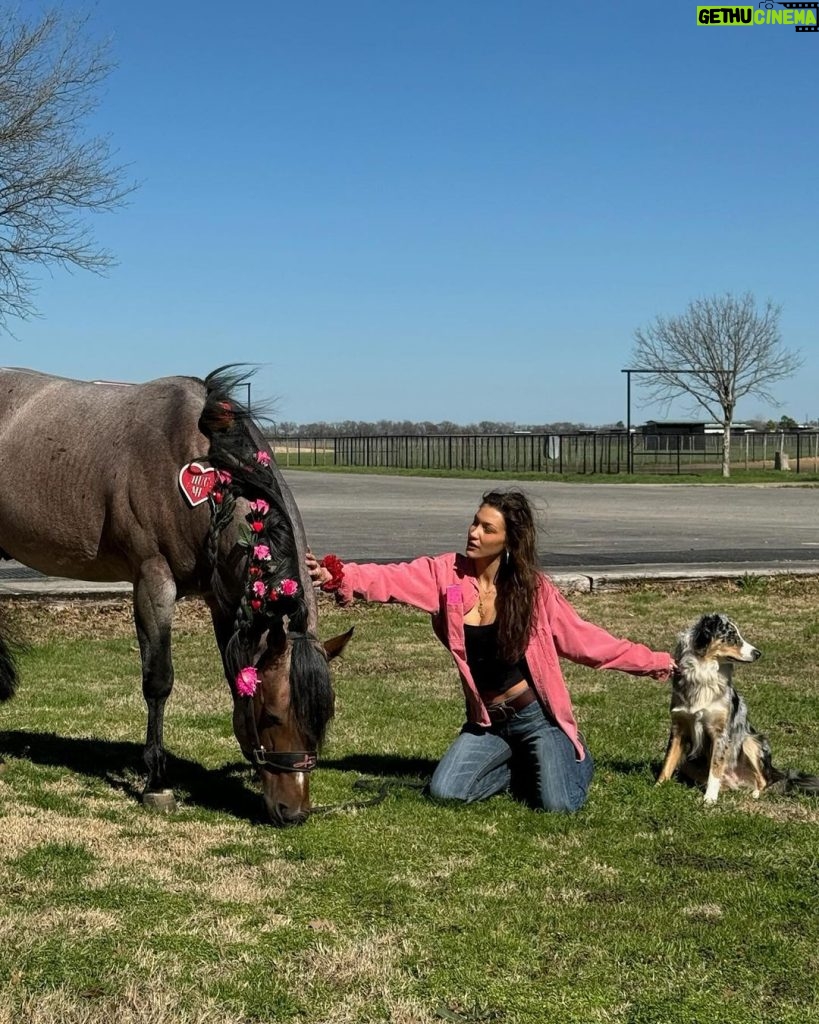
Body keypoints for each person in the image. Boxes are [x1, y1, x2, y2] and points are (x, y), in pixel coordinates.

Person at [306, 489, 674, 813]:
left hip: (535, 718)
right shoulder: (446, 574)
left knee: (559, 805)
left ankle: (574, 756)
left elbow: (589, 643)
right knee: (446, 793)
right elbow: (389, 578)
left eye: (487, 528)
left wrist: (658, 663)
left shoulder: (533, 591)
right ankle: (519, 766)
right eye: (474, 522)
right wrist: (334, 575)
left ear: (509, 541)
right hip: (487, 724)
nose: (474, 533)